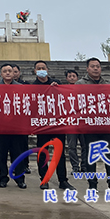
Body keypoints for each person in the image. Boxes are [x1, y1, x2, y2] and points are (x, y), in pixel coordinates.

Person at [76, 57, 110, 193]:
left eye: (98, 66)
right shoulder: (79, 84)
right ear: (87, 69)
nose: (96, 68)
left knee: (109, 155)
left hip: (106, 124)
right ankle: (92, 184)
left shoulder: (108, 84)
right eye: (93, 66)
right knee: (91, 156)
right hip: (89, 125)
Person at [31, 61, 75, 190]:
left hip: (57, 124)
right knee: (42, 153)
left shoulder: (56, 84)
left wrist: (57, 88)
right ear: (34, 71)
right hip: (42, 125)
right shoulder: (32, 86)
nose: (41, 70)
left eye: (43, 68)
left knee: (59, 153)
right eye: (38, 68)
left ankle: (63, 180)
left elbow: (65, 99)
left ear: (47, 70)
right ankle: (44, 179)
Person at [0, 63, 27, 189]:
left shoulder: (21, 87)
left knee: (17, 153)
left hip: (16, 127)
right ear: (1, 73)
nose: (8, 73)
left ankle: (20, 178)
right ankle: (3, 178)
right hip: (1, 127)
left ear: (14, 73)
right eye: (5, 71)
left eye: (10, 71)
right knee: (2, 154)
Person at [64, 69, 85, 174]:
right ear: (67, 79)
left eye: (74, 76)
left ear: (77, 78)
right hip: (71, 123)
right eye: (69, 76)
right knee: (72, 146)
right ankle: (75, 167)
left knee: (85, 146)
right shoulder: (63, 90)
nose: (72, 78)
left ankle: (84, 166)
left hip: (83, 121)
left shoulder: (83, 89)